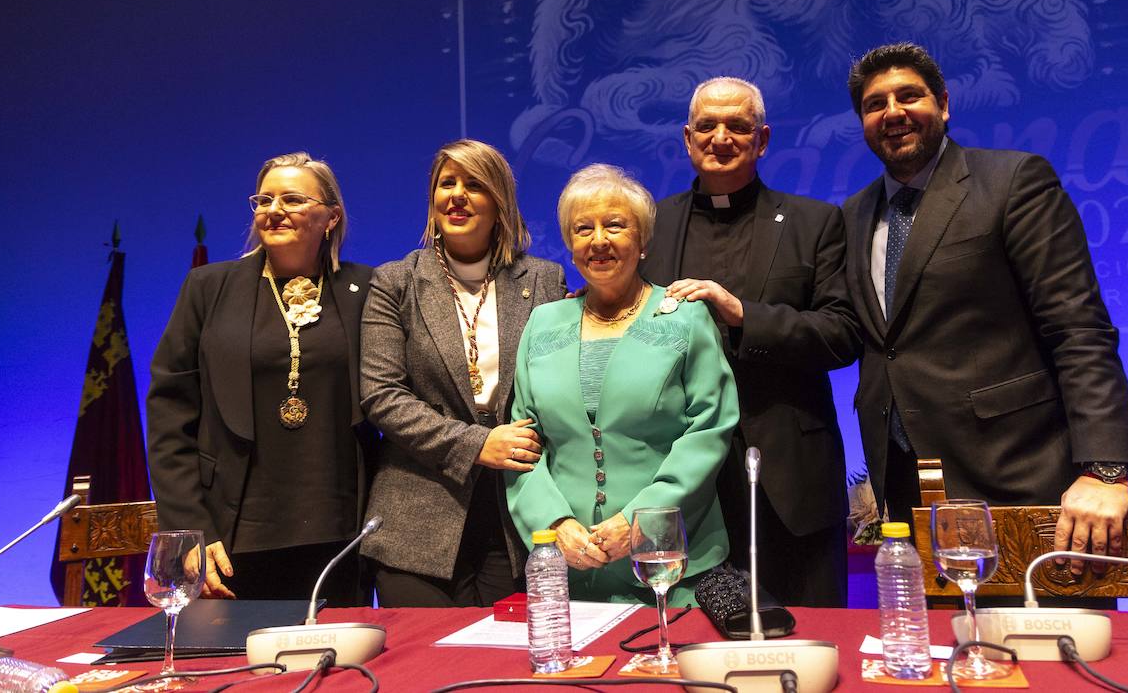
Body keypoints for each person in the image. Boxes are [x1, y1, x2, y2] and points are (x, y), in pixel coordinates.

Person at [843, 42, 1128, 571]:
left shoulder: (1013, 181)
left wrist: (1106, 470)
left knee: (1052, 650)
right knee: (945, 652)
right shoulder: (853, 214)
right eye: (876, 104)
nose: (892, 112)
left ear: (943, 104)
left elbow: (1078, 328)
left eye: (909, 96)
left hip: (1023, 476)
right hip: (907, 487)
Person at [640, 77, 862, 607]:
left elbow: (844, 334)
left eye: (737, 126)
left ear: (761, 139)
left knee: (810, 641)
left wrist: (744, 316)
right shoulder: (648, 226)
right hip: (678, 478)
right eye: (707, 126)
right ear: (687, 139)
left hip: (789, 480)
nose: (721, 137)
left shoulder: (815, 223)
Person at [506, 164, 739, 605]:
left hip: (671, 570)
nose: (598, 241)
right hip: (569, 572)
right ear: (570, 245)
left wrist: (639, 519)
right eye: (583, 229)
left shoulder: (686, 317)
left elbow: (708, 431)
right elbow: (523, 441)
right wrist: (554, 523)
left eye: (615, 225)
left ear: (643, 241)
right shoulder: (542, 323)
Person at [147, 152, 375, 603]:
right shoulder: (208, 288)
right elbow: (169, 417)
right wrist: (190, 530)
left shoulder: (366, 289)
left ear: (331, 217)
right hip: (231, 537)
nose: (273, 210)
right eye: (263, 199)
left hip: (339, 535)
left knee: (335, 664)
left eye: (291, 198)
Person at [358, 140, 566, 606]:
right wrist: (477, 445)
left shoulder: (545, 280)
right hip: (418, 516)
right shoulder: (395, 281)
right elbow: (382, 396)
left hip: (516, 513)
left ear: (500, 202)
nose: (457, 195)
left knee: (507, 668)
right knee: (424, 670)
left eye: (474, 184)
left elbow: (559, 387)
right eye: (446, 183)